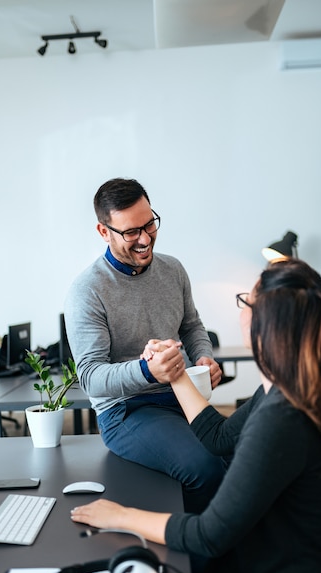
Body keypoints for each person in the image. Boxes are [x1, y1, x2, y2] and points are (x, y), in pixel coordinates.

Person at [70, 258, 321, 573]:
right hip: (287, 567)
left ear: (266, 326)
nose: (241, 312)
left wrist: (121, 516)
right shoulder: (295, 387)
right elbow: (219, 437)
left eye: (245, 303)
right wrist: (173, 372)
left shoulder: (282, 419)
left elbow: (209, 535)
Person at [64, 177, 224, 513]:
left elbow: (192, 325)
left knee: (244, 452)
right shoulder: (87, 291)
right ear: (103, 231)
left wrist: (204, 357)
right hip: (126, 411)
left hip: (183, 397)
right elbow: (91, 377)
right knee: (206, 468)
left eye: (149, 224)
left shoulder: (173, 269)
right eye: (131, 232)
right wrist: (147, 371)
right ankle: (198, 555)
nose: (145, 238)